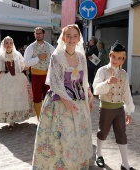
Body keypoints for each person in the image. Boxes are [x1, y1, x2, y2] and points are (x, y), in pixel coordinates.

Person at [32, 24, 94, 169]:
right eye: (68, 36)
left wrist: (90, 95)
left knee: (77, 134)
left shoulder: (80, 56)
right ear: (63, 38)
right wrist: (66, 101)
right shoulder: (57, 56)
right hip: (59, 101)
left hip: (78, 101)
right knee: (58, 136)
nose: (71, 39)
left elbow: (84, 80)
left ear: (79, 38)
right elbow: (55, 82)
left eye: (75, 36)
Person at [93, 40, 135, 170]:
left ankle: (125, 164)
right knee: (103, 132)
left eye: (119, 58)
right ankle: (98, 154)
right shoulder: (102, 71)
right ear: (110, 55)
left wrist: (128, 111)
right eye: (113, 57)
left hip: (119, 109)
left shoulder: (124, 74)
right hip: (106, 108)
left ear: (123, 60)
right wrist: (108, 83)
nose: (115, 60)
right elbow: (95, 89)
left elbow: (126, 93)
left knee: (122, 134)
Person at [0, 36, 34, 130]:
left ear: (12, 44)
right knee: (7, 100)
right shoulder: (0, 56)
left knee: (16, 99)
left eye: (10, 43)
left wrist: (30, 63)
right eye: (7, 43)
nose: (9, 45)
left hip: (18, 80)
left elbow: (24, 66)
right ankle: (10, 121)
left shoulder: (17, 54)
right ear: (4, 45)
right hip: (5, 81)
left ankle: (14, 118)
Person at [24, 27, 55, 120]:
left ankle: (47, 119)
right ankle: (39, 119)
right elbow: (26, 63)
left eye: (40, 33)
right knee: (37, 97)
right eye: (36, 33)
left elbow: (56, 59)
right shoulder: (30, 48)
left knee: (48, 97)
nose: (38, 35)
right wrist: (38, 58)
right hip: (36, 75)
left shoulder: (50, 47)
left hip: (48, 75)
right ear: (34, 35)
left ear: (43, 34)